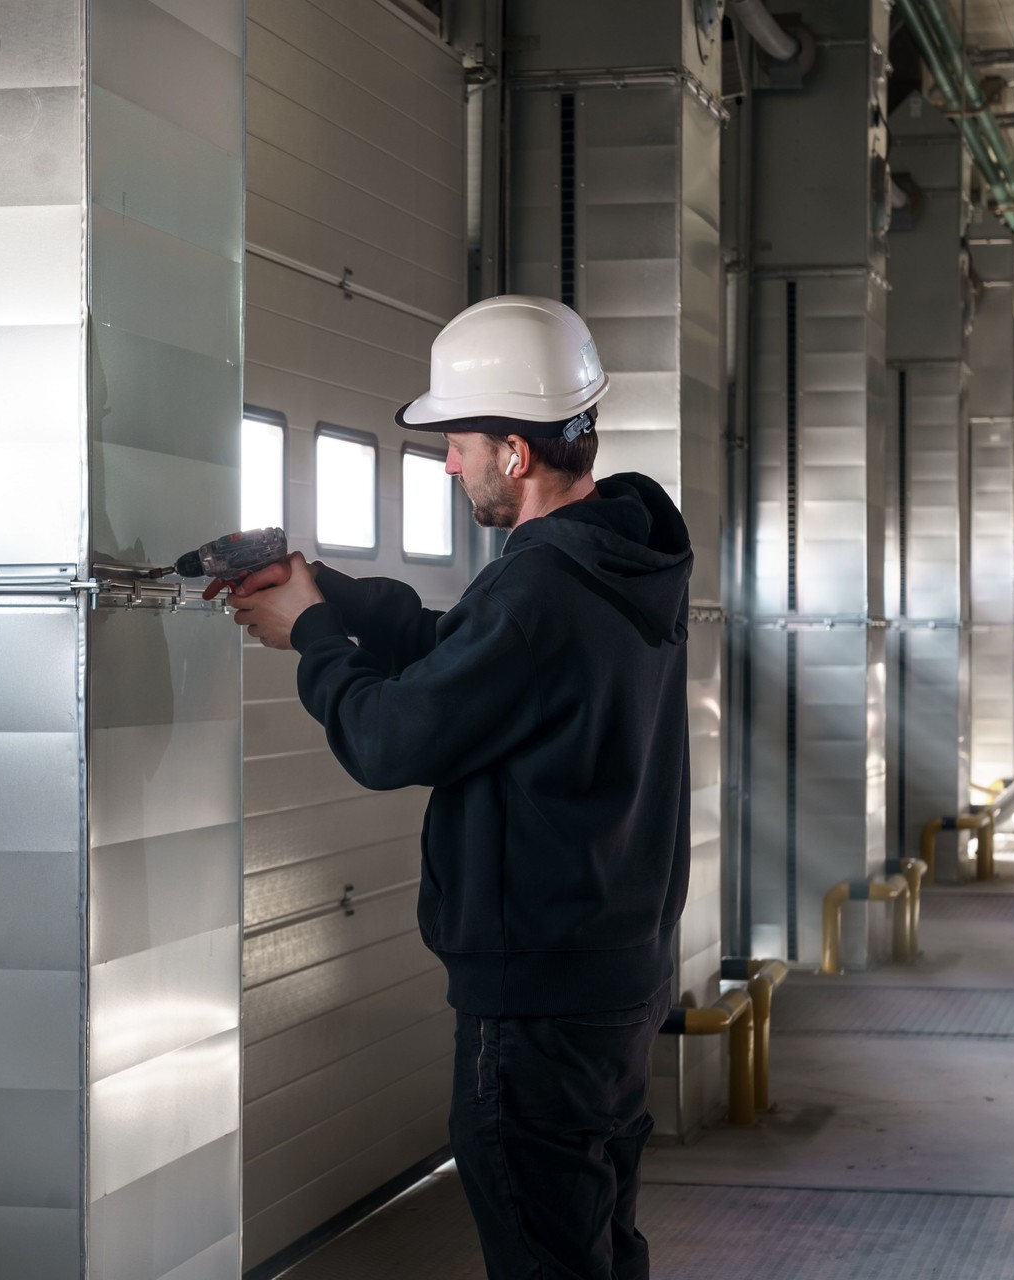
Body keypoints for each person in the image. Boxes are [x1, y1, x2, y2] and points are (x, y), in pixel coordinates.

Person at [222, 296, 691, 1280]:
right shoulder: (613, 558)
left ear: (514, 454)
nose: (446, 464)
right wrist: (327, 590)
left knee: (545, 1252)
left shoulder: (541, 589)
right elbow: (459, 648)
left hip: (537, 1011)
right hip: (614, 981)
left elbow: (390, 736)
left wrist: (310, 636)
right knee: (595, 1245)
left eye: (459, 442)